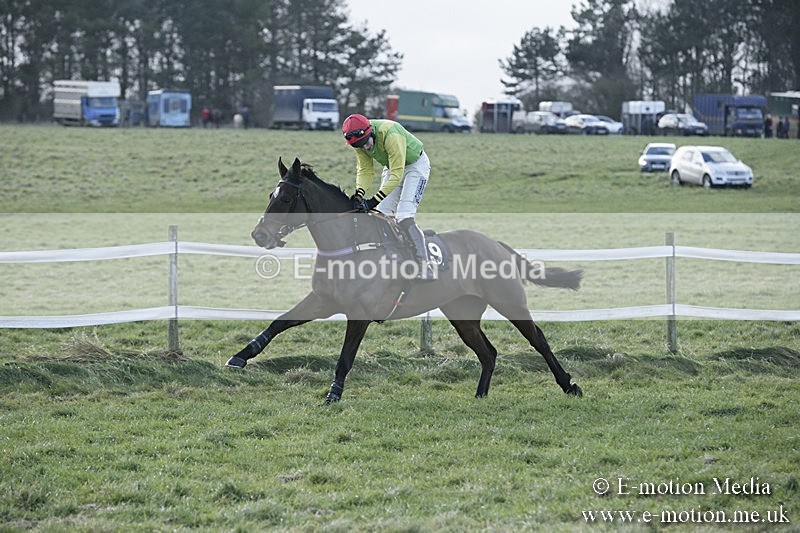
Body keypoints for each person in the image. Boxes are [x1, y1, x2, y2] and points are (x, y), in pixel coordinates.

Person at [342, 113, 434, 280]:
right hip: (392, 167)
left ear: (370, 132)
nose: (365, 148)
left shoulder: (391, 133)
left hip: (415, 166)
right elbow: (365, 170)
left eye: (365, 142)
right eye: (358, 146)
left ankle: (425, 265)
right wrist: (360, 193)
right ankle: (391, 255)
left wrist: (373, 201)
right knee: (382, 215)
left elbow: (397, 174)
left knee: (404, 216)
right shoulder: (359, 143)